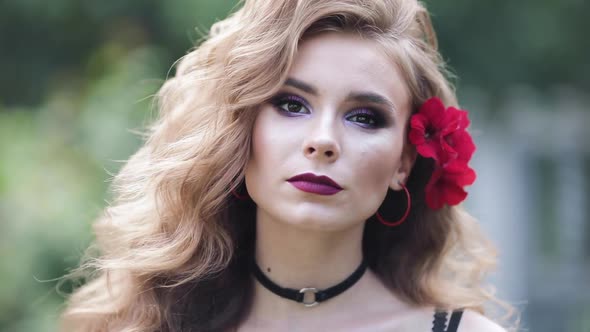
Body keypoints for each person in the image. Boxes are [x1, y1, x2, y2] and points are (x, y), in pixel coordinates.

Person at [61, 0, 516, 331]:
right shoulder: (142, 325)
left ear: (404, 162)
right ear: (240, 130)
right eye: (291, 104)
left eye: (364, 117)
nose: (323, 141)